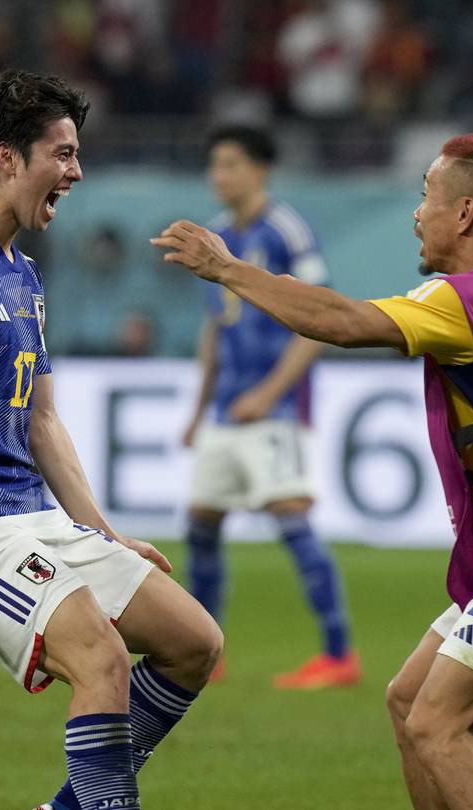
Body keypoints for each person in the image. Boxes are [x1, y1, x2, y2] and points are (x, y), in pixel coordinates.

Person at [153, 133, 473, 809]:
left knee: (438, 728)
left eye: (425, 197)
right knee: (409, 701)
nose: (417, 213)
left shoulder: (468, 300)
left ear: (465, 213)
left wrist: (228, 269)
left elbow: (345, 323)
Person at [0, 70, 223, 810]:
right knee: (101, 657)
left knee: (195, 642)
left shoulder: (24, 276)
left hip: (38, 519)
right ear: (8, 158)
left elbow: (43, 422)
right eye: (62, 154)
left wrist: (104, 533)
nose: (76, 171)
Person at [180, 125, 358, 689]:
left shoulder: (286, 230)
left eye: (230, 164)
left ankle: (338, 654)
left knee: (293, 522)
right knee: (201, 524)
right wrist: (198, 409)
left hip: (273, 411)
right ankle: (206, 653)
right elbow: (216, 328)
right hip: (225, 412)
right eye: (214, 165)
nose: (219, 176)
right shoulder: (213, 238)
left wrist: (271, 393)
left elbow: (318, 321)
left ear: (260, 170)